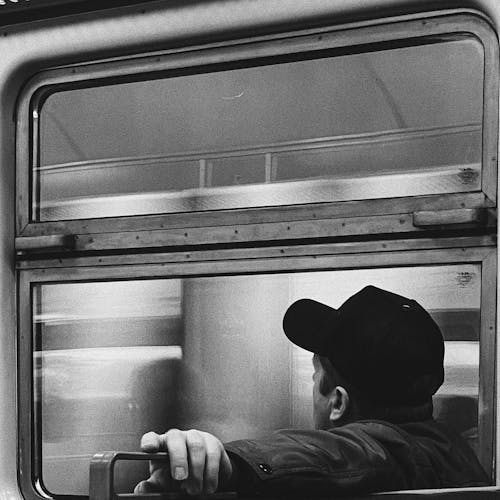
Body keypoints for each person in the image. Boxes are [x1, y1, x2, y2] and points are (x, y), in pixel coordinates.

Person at [134, 286, 490, 496]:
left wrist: (226, 463)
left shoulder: (394, 454)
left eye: (314, 374)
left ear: (337, 402)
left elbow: (347, 451)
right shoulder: (456, 452)